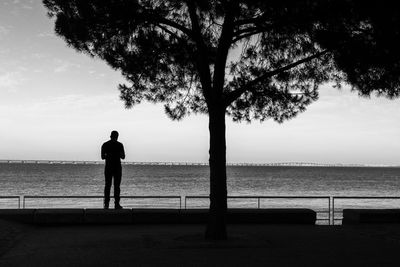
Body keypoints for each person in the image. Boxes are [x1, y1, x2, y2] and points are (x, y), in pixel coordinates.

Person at [101, 130, 125, 209]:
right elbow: (123, 157)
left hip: (108, 167)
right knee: (117, 186)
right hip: (117, 167)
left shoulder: (105, 144)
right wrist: (117, 154)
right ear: (117, 137)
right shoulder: (120, 145)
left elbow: (102, 157)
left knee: (108, 186)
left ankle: (106, 204)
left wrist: (109, 155)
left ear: (110, 136)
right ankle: (116, 204)